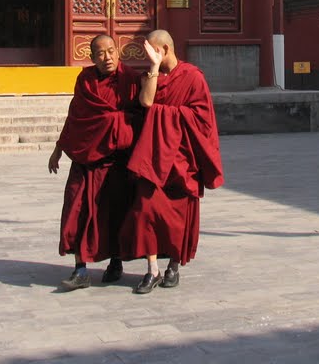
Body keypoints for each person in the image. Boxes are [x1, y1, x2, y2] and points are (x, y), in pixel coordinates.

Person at [120, 29, 224, 294]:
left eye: (153, 53)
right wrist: (154, 68)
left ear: (165, 48)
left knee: (178, 218)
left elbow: (202, 118)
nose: (148, 58)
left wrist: (165, 115)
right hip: (153, 158)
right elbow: (146, 102)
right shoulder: (150, 76)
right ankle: (152, 269)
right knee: (145, 211)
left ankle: (173, 266)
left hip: (181, 158)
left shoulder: (192, 77)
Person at [47, 34, 141, 291]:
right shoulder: (85, 80)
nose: (107, 57)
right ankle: (80, 270)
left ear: (118, 52)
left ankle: (116, 262)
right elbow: (76, 115)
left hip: (116, 162)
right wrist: (58, 148)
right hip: (85, 159)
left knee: (114, 213)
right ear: (92, 57)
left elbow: (142, 115)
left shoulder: (131, 79)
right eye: (100, 53)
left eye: (111, 51)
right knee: (76, 210)